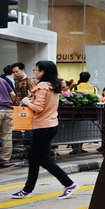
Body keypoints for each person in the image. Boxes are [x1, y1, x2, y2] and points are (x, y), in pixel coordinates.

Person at [10, 61, 79, 199]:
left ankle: (69, 184)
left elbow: (38, 108)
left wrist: (27, 102)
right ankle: (27, 189)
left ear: (42, 72)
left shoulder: (42, 86)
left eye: (36, 69)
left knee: (43, 159)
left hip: (42, 126)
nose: (34, 71)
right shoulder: (53, 86)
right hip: (51, 125)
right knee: (34, 158)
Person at [0, 70, 15, 167]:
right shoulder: (2, 80)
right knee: (7, 136)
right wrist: (10, 103)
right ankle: (5, 160)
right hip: (8, 109)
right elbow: (13, 94)